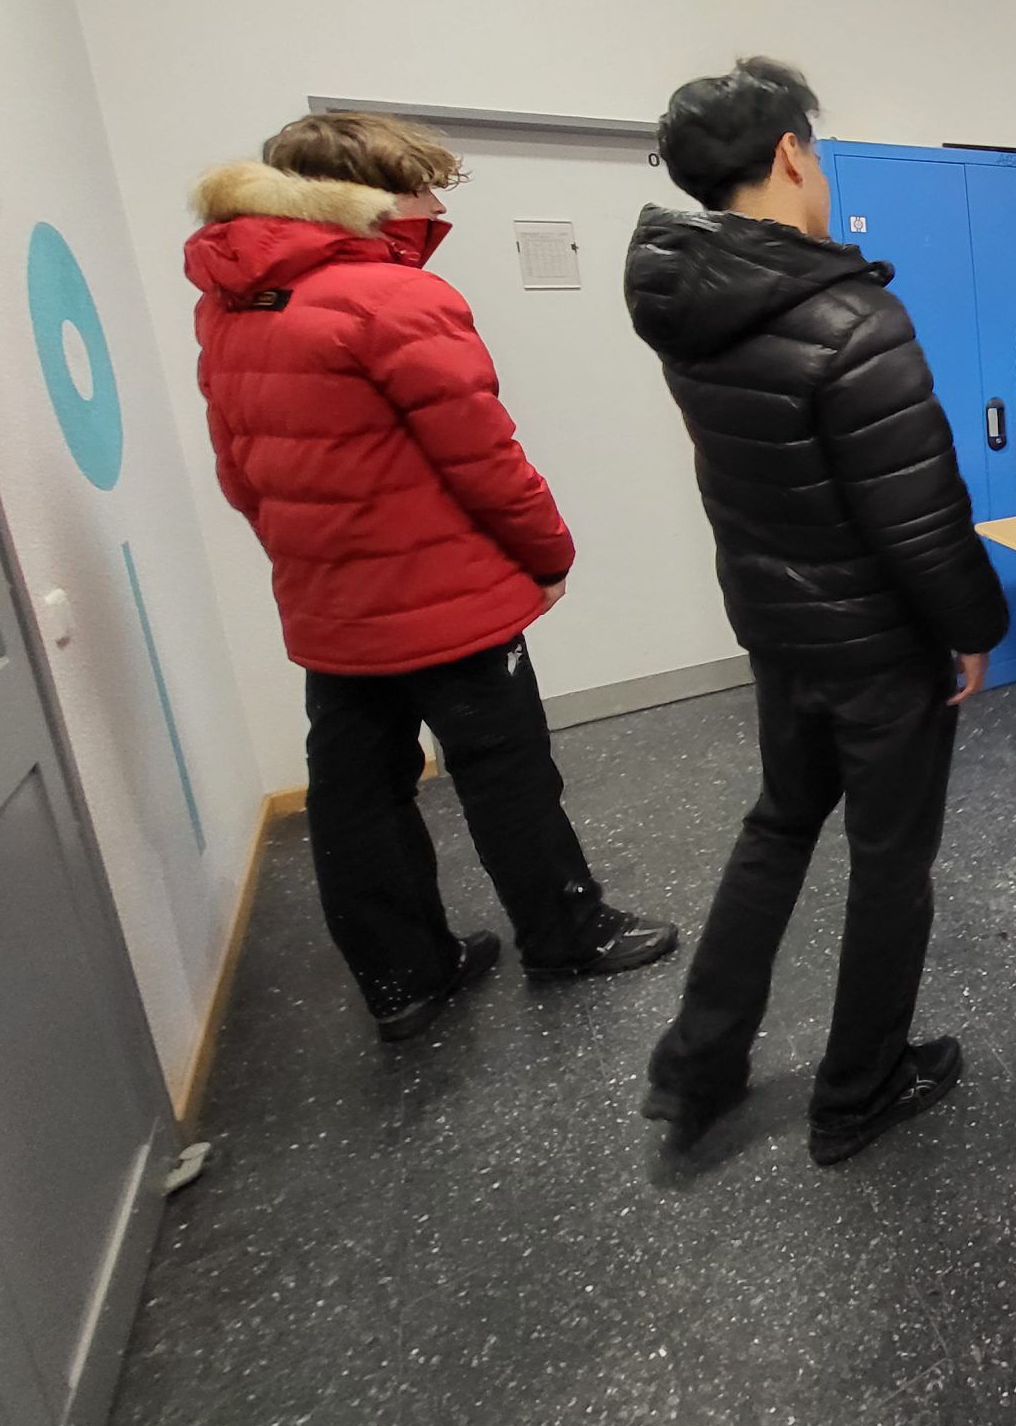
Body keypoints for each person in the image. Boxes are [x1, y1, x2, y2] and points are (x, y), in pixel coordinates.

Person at [186, 114, 676, 1044]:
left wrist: (309, 559)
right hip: (448, 602)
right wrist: (549, 554)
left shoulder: (232, 303)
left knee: (357, 792)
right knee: (506, 775)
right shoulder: (393, 297)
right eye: (420, 188)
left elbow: (237, 470)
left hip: (328, 604)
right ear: (363, 197)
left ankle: (404, 979)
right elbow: (484, 457)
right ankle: (568, 937)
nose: (436, 207)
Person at [631, 59, 1008, 1165]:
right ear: (791, 152)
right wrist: (974, 625)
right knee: (890, 860)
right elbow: (918, 515)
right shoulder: (852, 317)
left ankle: (696, 1066)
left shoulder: (685, 307)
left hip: (778, 628)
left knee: (779, 825)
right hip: (875, 647)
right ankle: (859, 1089)